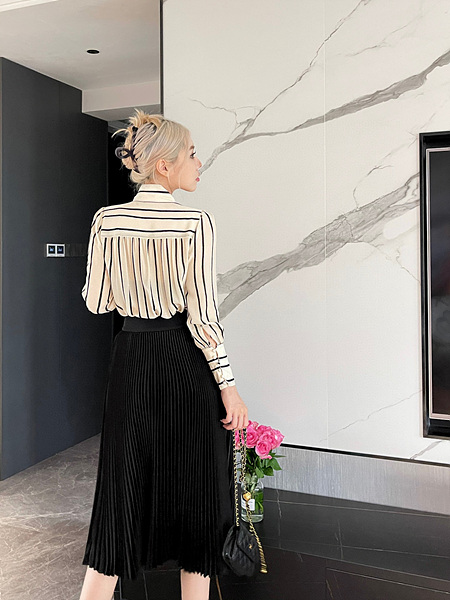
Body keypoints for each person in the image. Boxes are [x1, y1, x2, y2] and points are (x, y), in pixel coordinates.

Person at [78, 109, 249, 600]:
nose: (199, 163)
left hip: (131, 359)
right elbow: (204, 316)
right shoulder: (196, 222)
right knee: (197, 493)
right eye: (192, 154)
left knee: (122, 491)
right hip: (185, 363)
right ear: (164, 166)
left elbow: (96, 302)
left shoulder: (106, 220)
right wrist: (229, 387)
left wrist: (132, 284)